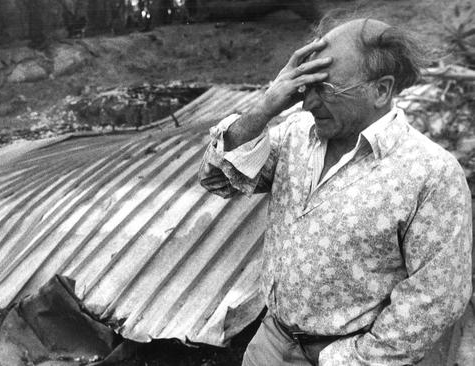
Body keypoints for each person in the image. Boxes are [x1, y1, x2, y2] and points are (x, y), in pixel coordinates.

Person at [199, 17, 472, 366]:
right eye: (305, 88)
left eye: (326, 89)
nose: (308, 103)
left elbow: (436, 298)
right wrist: (266, 107)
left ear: (381, 90)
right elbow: (217, 179)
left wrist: (350, 359)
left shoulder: (431, 173)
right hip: (271, 342)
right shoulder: (296, 134)